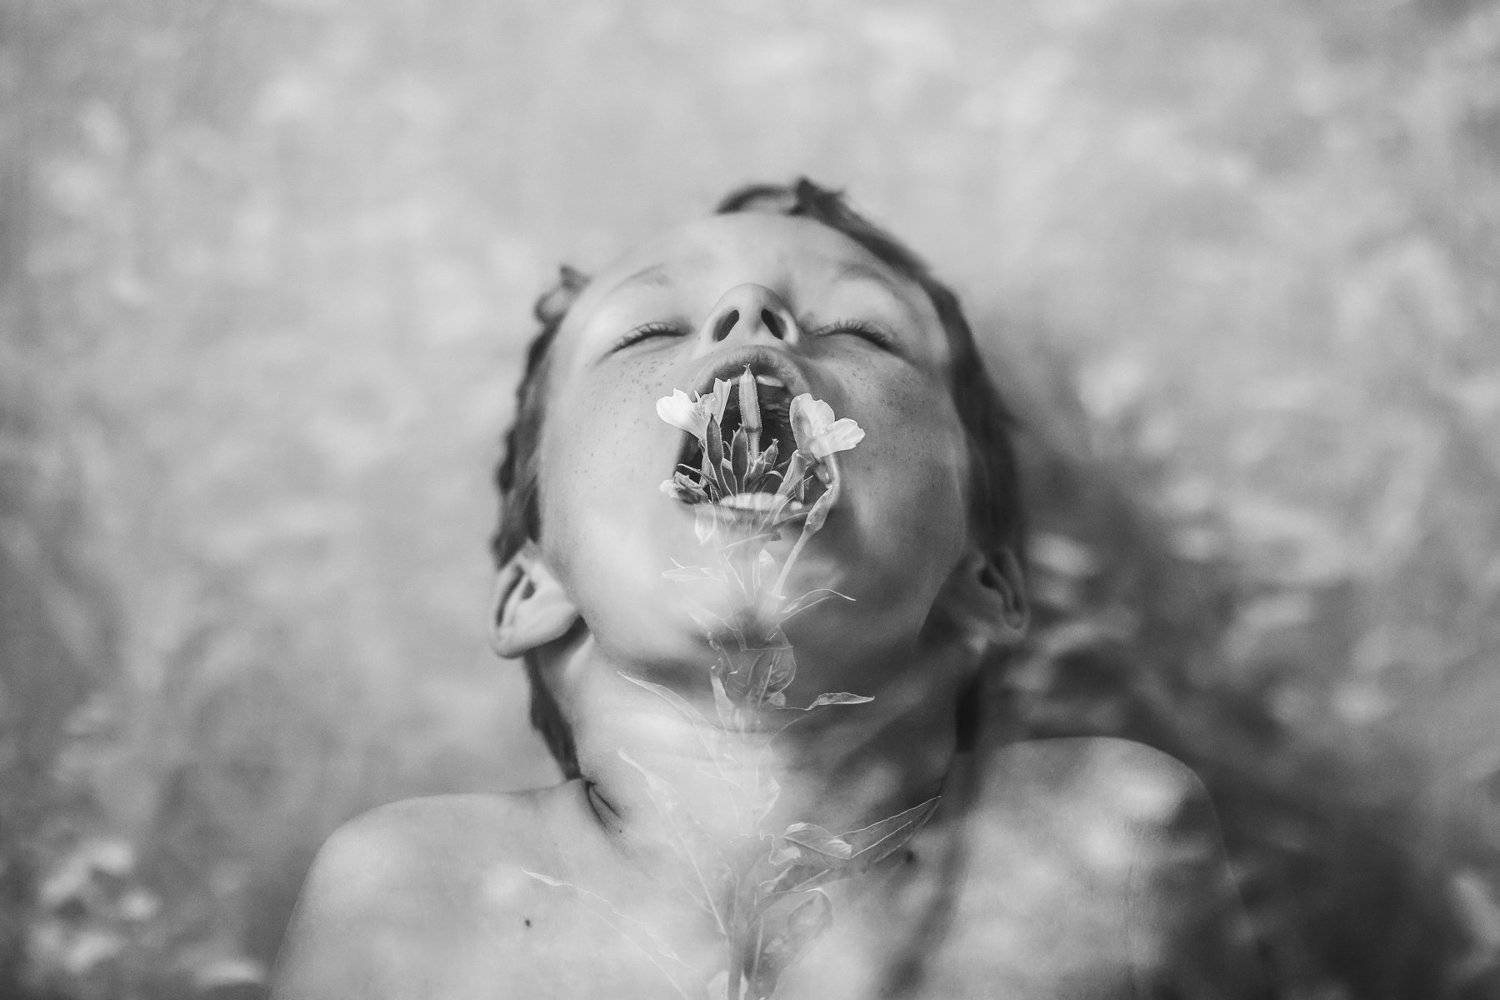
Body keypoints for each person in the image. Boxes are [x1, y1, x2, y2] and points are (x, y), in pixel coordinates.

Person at [270, 180, 1268, 1000]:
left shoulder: (1108, 842)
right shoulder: (415, 890)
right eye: (648, 331)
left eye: (861, 331)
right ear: (531, 587)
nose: (750, 317)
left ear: (988, 580)